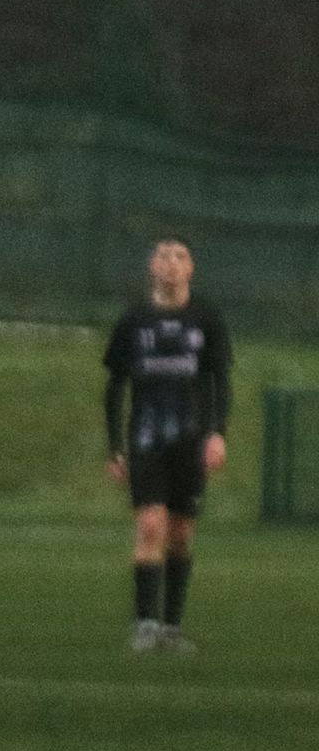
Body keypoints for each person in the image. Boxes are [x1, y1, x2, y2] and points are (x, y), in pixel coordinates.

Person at [104, 236, 231, 653]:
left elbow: (220, 381)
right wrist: (115, 446)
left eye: (180, 256)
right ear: (151, 266)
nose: (171, 263)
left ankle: (172, 628)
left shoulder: (207, 318)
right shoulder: (134, 320)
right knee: (150, 526)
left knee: (179, 535)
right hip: (146, 439)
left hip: (191, 442)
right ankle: (145, 624)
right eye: (163, 255)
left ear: (191, 268)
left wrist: (217, 433)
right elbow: (115, 385)